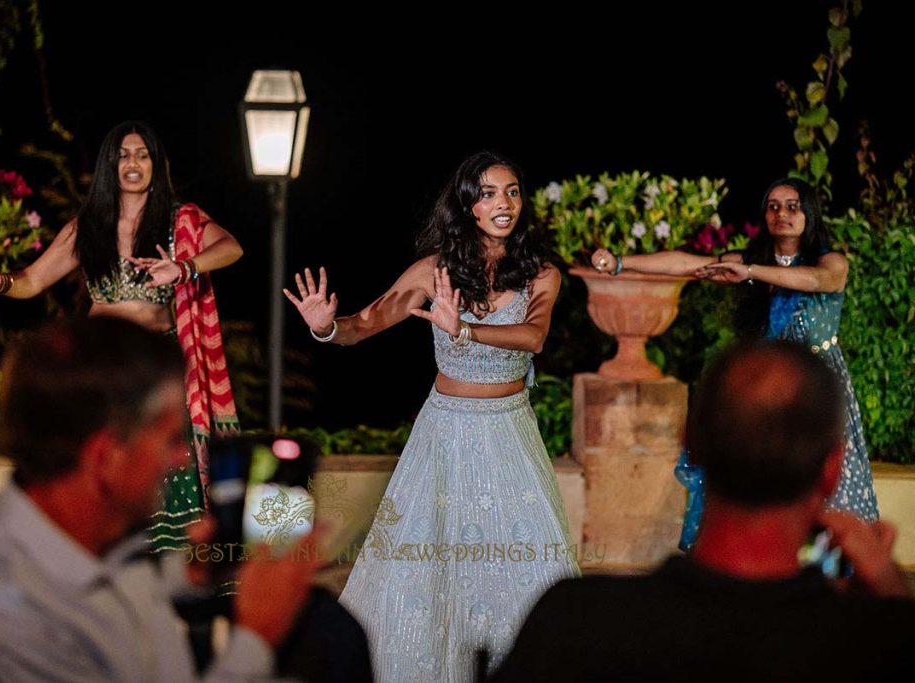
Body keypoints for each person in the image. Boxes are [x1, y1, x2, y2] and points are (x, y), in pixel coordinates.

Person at [284, 151, 578, 681]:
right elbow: (364, 325)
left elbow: (533, 336)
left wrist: (464, 329)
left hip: (508, 431)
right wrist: (325, 327)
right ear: (467, 205)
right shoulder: (434, 270)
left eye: (511, 191)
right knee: (428, 564)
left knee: (521, 563)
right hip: (443, 431)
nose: (503, 203)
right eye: (488, 193)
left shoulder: (542, 274)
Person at [0, 317, 318, 682]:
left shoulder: (91, 536)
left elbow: (120, 585)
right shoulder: (3, 612)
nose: (183, 458)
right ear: (105, 456)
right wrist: (256, 638)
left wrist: (194, 571)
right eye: (171, 440)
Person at [490, 340, 915, 681]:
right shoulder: (873, 644)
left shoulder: (577, 623)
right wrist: (893, 598)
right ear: (832, 470)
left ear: (690, 443)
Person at [0, 121, 243, 550]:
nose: (132, 163)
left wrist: (183, 267)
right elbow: (31, 281)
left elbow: (232, 248)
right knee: (100, 461)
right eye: (123, 155)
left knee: (160, 468)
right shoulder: (89, 226)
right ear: (111, 165)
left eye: (142, 154)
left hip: (155, 366)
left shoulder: (181, 220)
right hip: (102, 367)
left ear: (155, 164)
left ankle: (171, 583)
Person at [590, 178, 878, 549]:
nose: (782, 214)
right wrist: (618, 263)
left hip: (814, 392)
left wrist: (753, 273)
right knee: (755, 480)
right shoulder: (751, 261)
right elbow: (688, 264)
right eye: (773, 206)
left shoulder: (830, 260)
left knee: (816, 483)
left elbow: (817, 280)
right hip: (764, 391)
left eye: (793, 206)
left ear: (810, 212)